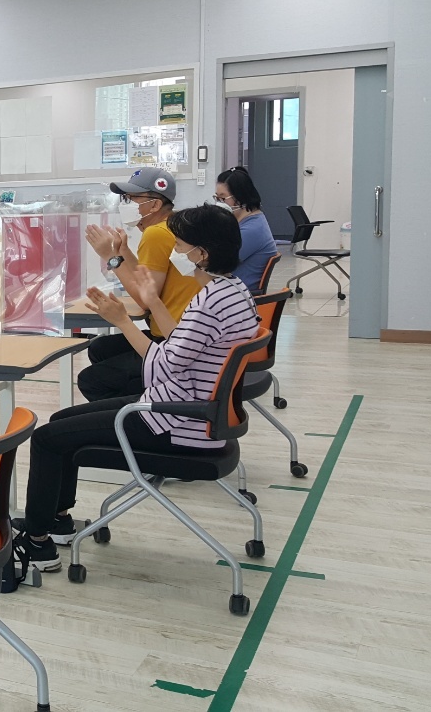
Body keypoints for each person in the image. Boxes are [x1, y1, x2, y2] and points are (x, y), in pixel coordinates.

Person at [18, 204, 258, 572]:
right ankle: (57, 520)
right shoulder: (233, 291)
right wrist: (155, 302)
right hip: (192, 411)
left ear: (202, 253)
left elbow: (161, 367)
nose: (177, 252)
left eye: (181, 245)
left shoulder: (209, 302)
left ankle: (37, 544)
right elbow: (180, 344)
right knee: (61, 421)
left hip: (178, 421)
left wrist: (122, 322)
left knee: (47, 438)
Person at [79, 168, 202, 401]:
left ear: (154, 205)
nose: (127, 204)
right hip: (182, 331)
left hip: (171, 337)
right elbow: (147, 278)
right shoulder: (172, 226)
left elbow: (145, 299)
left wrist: (110, 257)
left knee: (92, 379)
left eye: (133, 198)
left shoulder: (156, 233)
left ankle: (137, 413)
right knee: (100, 348)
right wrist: (123, 253)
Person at [215, 166, 279, 292]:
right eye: (217, 198)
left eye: (223, 198)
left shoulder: (252, 230)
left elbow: (218, 264)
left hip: (236, 294)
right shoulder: (245, 222)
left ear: (240, 196)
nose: (219, 203)